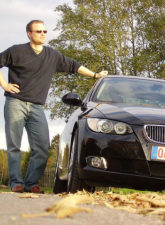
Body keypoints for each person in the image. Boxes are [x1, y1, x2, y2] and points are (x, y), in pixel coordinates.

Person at [0, 20, 108, 193]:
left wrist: (95, 75)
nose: (43, 34)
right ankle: (16, 183)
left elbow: (74, 66)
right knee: (14, 145)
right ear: (29, 34)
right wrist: (5, 85)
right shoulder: (16, 50)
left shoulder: (52, 55)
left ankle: (31, 183)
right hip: (15, 103)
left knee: (42, 147)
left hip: (37, 107)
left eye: (45, 31)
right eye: (38, 31)